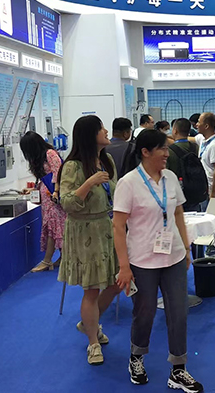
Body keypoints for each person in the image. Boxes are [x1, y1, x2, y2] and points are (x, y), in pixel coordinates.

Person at [111, 130, 203, 392]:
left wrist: (186, 248)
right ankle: (136, 357)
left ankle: (178, 369)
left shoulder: (170, 177)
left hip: (173, 257)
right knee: (145, 312)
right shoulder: (128, 183)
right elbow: (118, 227)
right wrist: (124, 266)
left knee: (179, 313)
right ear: (145, 152)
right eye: (162, 148)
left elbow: (178, 213)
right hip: (142, 261)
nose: (166, 153)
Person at [57, 115, 121, 366]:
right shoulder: (72, 166)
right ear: (89, 135)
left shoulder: (107, 160)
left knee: (117, 283)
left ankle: (88, 323)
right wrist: (89, 183)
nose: (106, 131)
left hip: (108, 227)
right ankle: (93, 343)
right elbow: (66, 203)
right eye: (101, 128)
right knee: (92, 289)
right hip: (85, 232)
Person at [20, 131, 66, 272]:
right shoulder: (39, 158)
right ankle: (63, 257)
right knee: (55, 226)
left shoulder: (50, 154)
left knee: (53, 226)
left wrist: (56, 191)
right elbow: (45, 177)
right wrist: (34, 189)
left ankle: (47, 260)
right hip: (47, 196)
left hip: (53, 196)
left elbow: (59, 173)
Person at [167, 119, 208, 212]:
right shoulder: (195, 147)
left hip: (177, 193)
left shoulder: (169, 151)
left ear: (175, 131)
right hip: (194, 190)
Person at [198, 112, 215, 202]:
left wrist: (213, 192)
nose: (197, 125)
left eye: (199, 122)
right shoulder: (203, 141)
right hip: (205, 189)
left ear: (206, 126)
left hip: (213, 191)